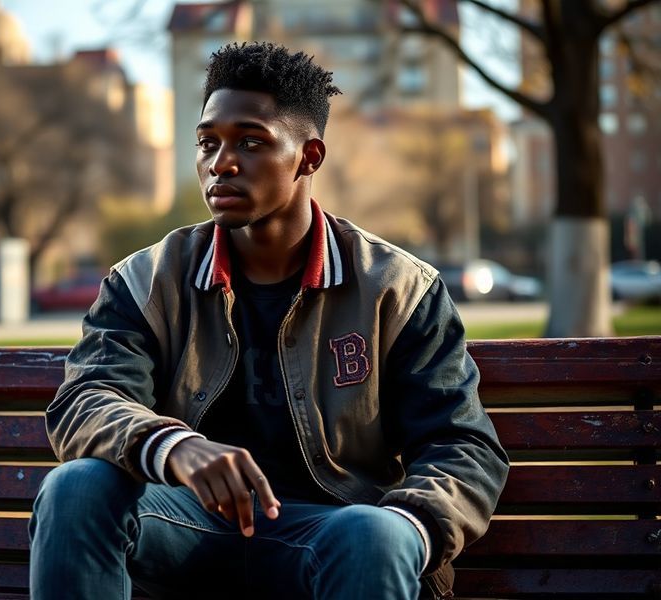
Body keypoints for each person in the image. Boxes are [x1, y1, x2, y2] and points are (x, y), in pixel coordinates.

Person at [29, 41, 509, 600]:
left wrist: (405, 527)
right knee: (77, 488)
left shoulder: (398, 290)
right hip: (188, 531)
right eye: (208, 143)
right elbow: (86, 398)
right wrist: (171, 446)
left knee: (372, 533)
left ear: (309, 157)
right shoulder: (148, 280)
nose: (220, 163)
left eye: (251, 142)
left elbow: (463, 447)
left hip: (335, 534)